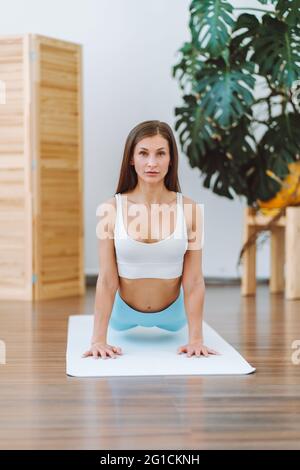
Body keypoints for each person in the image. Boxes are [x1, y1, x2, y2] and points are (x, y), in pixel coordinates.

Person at [83, 120, 219, 360]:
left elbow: (195, 280)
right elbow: (106, 279)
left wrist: (196, 339)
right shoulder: (110, 209)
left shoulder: (190, 210)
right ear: (132, 159)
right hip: (122, 313)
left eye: (161, 154)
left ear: (171, 159)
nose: (152, 163)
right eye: (143, 153)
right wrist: (98, 340)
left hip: (174, 314)